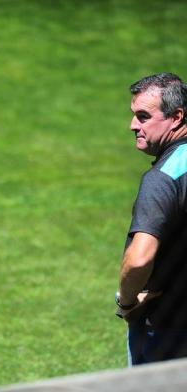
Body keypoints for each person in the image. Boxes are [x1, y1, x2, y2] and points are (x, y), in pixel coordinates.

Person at [115, 72, 187, 366]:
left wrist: (127, 302)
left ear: (176, 117)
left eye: (143, 117)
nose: (133, 125)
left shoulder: (162, 180)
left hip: (166, 332)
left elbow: (140, 258)